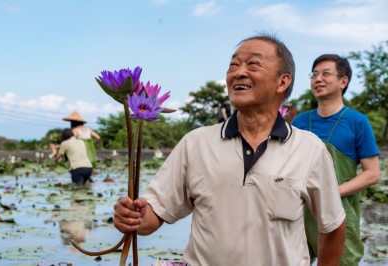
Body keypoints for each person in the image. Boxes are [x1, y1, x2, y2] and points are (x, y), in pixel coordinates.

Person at [113, 33, 346, 265]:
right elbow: (154, 215)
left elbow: (333, 224)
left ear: (282, 82)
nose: (238, 72)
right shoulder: (195, 143)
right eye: (233, 65)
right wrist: (134, 217)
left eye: (252, 64)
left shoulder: (309, 148)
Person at [292, 54, 380, 265]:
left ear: (343, 81)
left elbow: (372, 174)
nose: (318, 79)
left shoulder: (357, 122)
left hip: (339, 212)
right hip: (299, 212)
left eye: (325, 73)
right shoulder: (299, 122)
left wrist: (331, 192)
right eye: (314, 74)